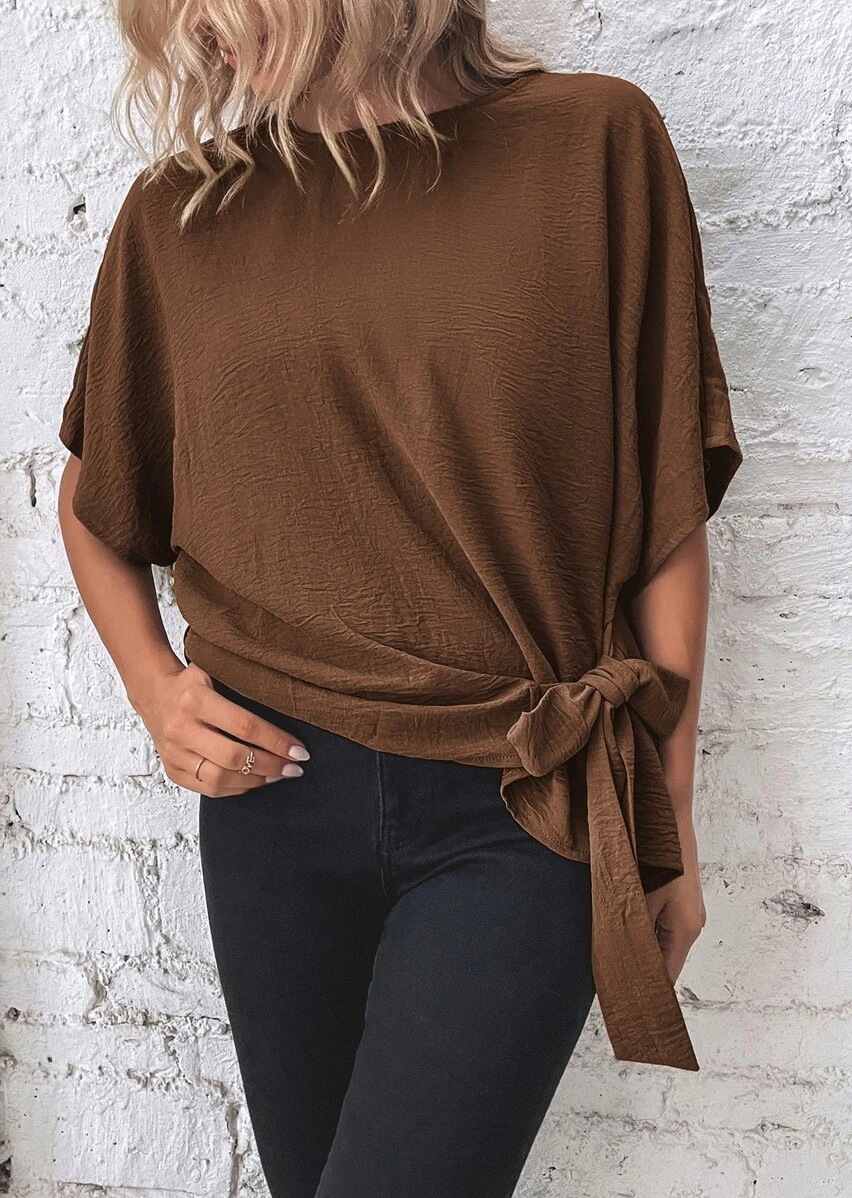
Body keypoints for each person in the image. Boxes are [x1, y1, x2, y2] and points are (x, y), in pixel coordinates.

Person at [56, 3, 743, 1196]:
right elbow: (93, 498)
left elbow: (662, 515)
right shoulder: (183, 212)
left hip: (519, 802)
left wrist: (664, 820)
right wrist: (155, 689)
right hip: (271, 806)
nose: (201, 29)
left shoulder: (595, 145)